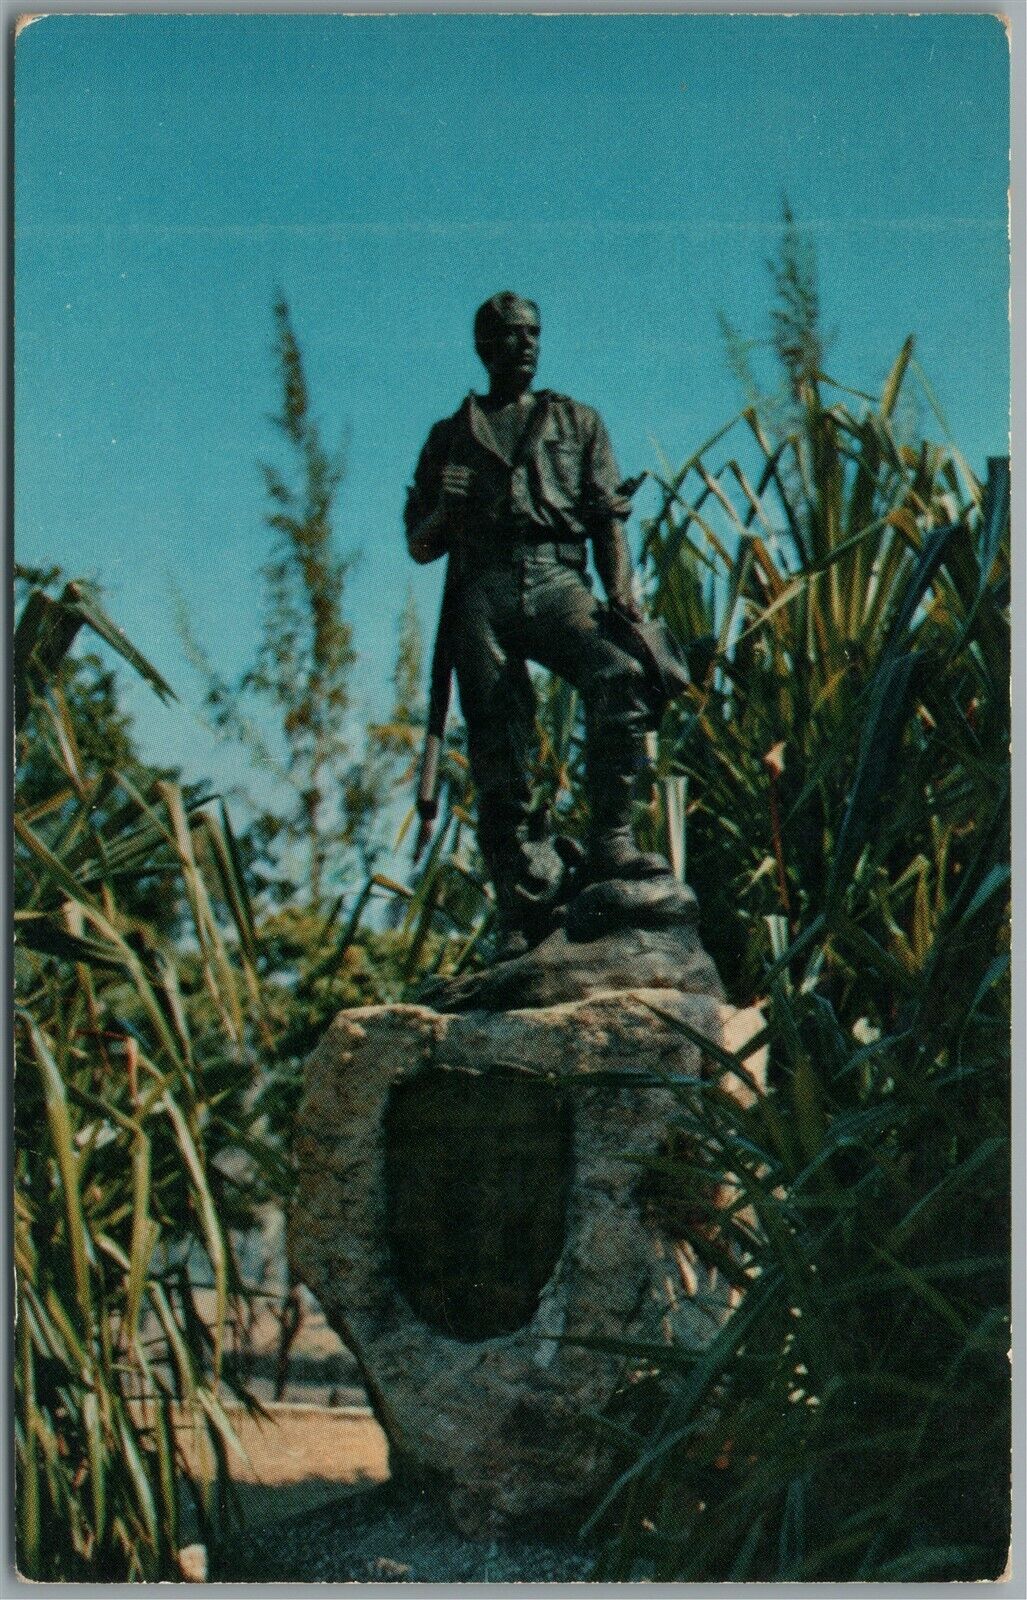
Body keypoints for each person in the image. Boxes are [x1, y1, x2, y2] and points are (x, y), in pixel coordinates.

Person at [404, 291, 666, 957]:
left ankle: (611, 840)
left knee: (620, 672)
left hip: (556, 577)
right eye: (510, 336)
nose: (525, 345)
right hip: (481, 588)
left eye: (533, 334)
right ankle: (523, 908)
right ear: (483, 347)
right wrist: (443, 510)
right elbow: (419, 543)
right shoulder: (448, 433)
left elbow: (607, 515)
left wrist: (621, 593)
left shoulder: (576, 421)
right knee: (499, 749)